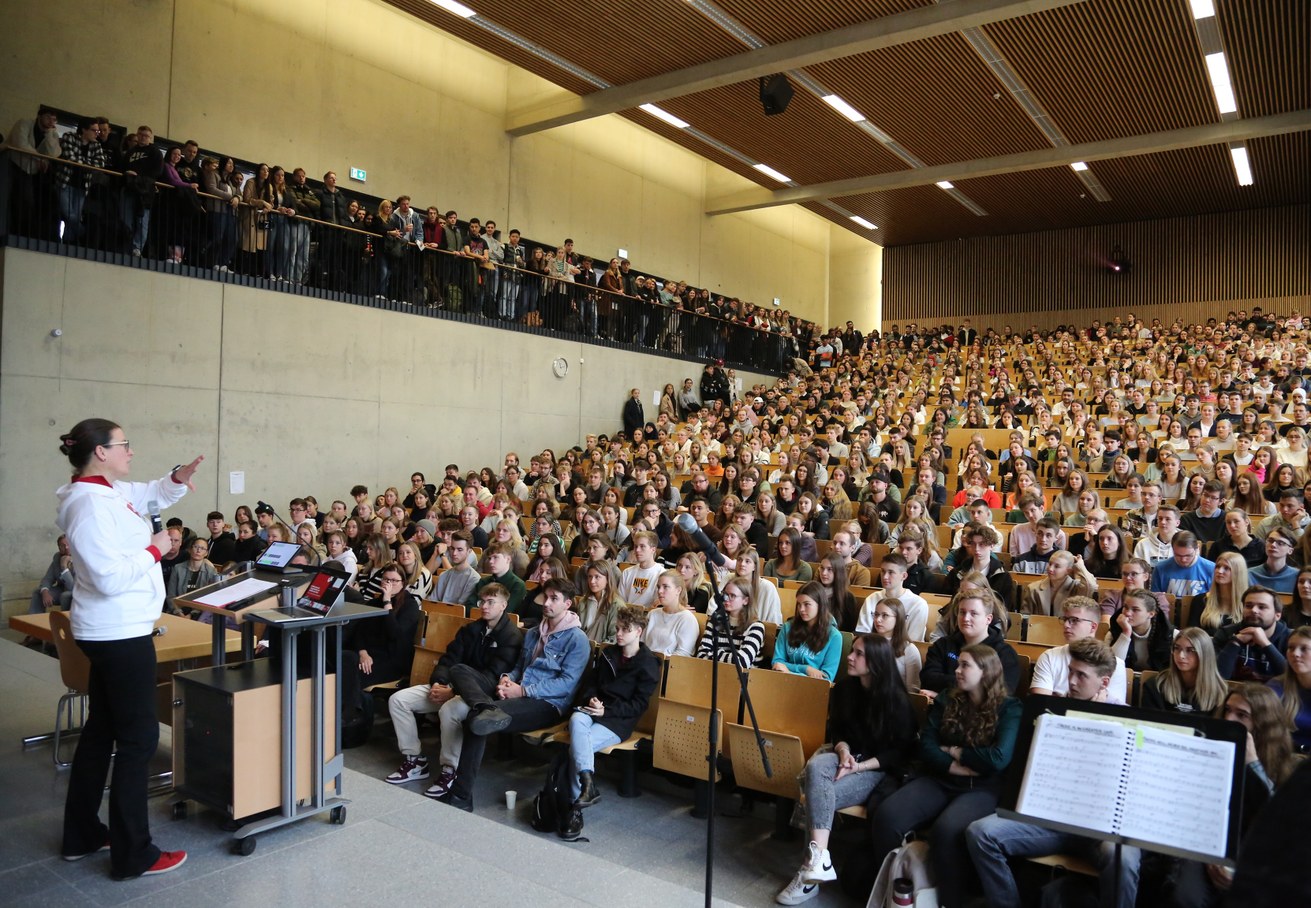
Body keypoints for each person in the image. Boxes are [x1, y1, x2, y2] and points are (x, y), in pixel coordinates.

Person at [55, 418, 202, 877]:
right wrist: (156, 550)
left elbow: (150, 493)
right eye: (124, 444)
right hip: (118, 634)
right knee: (138, 740)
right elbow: (107, 576)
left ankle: (82, 834)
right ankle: (133, 852)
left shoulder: (106, 491)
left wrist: (176, 479)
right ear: (100, 451)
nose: (131, 451)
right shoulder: (90, 506)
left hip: (112, 630)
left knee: (101, 732)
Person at [966, 637, 1141, 908]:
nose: (1071, 681)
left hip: (1100, 827)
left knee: (1124, 858)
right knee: (981, 833)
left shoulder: (1126, 720)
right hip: (1051, 818)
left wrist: (1096, 717)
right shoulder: (1050, 710)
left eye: (1081, 676)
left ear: (1104, 683)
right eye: (1070, 671)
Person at [869, 645, 1022, 908]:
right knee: (888, 817)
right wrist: (953, 765)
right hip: (941, 777)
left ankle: (949, 901)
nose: (957, 670)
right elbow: (926, 746)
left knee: (946, 832)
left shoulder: (1009, 707)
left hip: (982, 787)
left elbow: (998, 758)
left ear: (986, 672)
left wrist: (954, 750)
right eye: (958, 663)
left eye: (965, 665)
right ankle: (898, 891)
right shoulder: (946, 700)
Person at [776, 635, 918, 906]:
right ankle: (819, 861)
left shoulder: (896, 701)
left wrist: (858, 766)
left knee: (817, 793)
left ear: (876, 662)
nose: (850, 657)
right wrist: (843, 752)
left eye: (859, 654)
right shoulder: (843, 689)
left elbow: (898, 754)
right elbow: (837, 731)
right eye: (852, 651)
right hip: (847, 756)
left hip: (876, 770)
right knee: (818, 766)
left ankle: (809, 874)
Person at [440, 578, 589, 812]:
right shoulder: (533, 633)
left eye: (554, 599)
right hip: (520, 696)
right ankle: (483, 705)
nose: (546, 603)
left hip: (548, 704)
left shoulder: (577, 639)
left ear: (567, 604)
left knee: (478, 722)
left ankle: (460, 795)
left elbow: (566, 685)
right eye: (546, 597)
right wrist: (507, 678)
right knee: (458, 670)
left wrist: (523, 690)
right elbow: (521, 667)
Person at [384, 583, 523, 798]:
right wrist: (440, 682)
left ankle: (450, 770)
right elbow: (449, 659)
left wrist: (455, 692)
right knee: (398, 700)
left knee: (449, 710)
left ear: (503, 605)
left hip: (480, 698)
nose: (484, 606)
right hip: (449, 688)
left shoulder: (511, 637)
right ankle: (415, 760)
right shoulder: (471, 630)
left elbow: (492, 679)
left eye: (490, 602)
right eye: (482, 601)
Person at [564, 604, 661, 834]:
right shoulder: (609, 654)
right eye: (617, 628)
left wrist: (606, 712)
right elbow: (591, 685)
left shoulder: (648, 664)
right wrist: (593, 701)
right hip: (593, 711)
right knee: (577, 721)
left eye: (624, 629)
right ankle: (588, 785)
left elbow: (639, 705)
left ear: (638, 631)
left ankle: (574, 810)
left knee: (577, 747)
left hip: (617, 721)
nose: (618, 633)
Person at [338, 562, 421, 721]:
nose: (389, 584)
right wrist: (362, 652)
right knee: (345, 658)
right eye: (385, 580)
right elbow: (359, 631)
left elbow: (395, 634)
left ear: (402, 583)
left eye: (394, 581)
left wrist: (387, 603)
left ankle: (351, 715)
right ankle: (347, 712)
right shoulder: (374, 603)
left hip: (392, 658)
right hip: (369, 653)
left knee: (353, 672)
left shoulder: (409, 606)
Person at [922, 591, 1020, 695]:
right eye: (962, 612)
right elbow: (928, 679)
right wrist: (976, 685)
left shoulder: (1005, 653)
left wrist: (943, 696)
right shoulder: (942, 645)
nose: (966, 618)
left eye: (974, 613)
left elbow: (1001, 692)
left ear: (988, 619)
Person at [1030, 596, 1128, 700]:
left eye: (1074, 620)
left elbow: (1114, 711)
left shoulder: (1116, 665)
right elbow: (1040, 703)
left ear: (1093, 627)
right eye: (1065, 619)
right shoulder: (1049, 657)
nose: (1066, 625)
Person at [1140, 627, 1229, 714]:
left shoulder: (1220, 692)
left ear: (1204, 654)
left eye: (1190, 650)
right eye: (1177, 648)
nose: (1181, 656)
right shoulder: (1156, 685)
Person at [1214, 586, 1291, 682]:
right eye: (1248, 606)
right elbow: (1216, 678)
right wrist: (1235, 643)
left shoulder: (1291, 639)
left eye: (1262, 607)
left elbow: (1292, 679)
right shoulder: (1226, 633)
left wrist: (1266, 644)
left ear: (1277, 615)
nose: (1254, 610)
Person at [771, 582, 842, 681]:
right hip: (783, 681)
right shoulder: (787, 627)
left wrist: (789, 671)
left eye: (807, 604)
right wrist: (806, 669)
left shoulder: (834, 636)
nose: (801, 609)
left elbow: (826, 678)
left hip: (813, 689)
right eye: (799, 604)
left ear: (820, 605)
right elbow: (777, 663)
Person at [855, 553, 929, 640]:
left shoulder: (918, 604)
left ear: (904, 576)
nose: (885, 577)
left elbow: (914, 641)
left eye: (891, 572)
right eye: (883, 571)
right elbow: (862, 634)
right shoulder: (872, 599)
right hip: (873, 649)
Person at [695, 578, 767, 668]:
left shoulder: (756, 627)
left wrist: (715, 652)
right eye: (725, 594)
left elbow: (742, 662)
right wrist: (732, 656)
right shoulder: (714, 621)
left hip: (745, 679)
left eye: (732, 596)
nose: (726, 599)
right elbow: (701, 655)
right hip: (713, 675)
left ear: (746, 600)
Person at [1108, 588, 1175, 671]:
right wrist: (1126, 633)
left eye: (1135, 610)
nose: (1128, 613)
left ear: (1151, 614)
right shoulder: (1114, 632)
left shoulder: (1171, 635)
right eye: (1125, 607)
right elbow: (1111, 667)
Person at [1269, 625, 1311, 750]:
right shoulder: (1275, 686)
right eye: (1291, 648)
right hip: (1282, 755)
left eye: (1304, 649)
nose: (1295, 654)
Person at [28, 533, 74, 615]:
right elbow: (48, 578)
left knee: (65, 596)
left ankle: (66, 624)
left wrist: (64, 567)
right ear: (59, 548)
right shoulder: (57, 558)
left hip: (77, 592)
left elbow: (73, 587)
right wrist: (45, 591)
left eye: (68, 544)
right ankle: (36, 623)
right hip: (61, 589)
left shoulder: (81, 558)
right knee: (38, 593)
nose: (66, 548)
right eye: (62, 546)